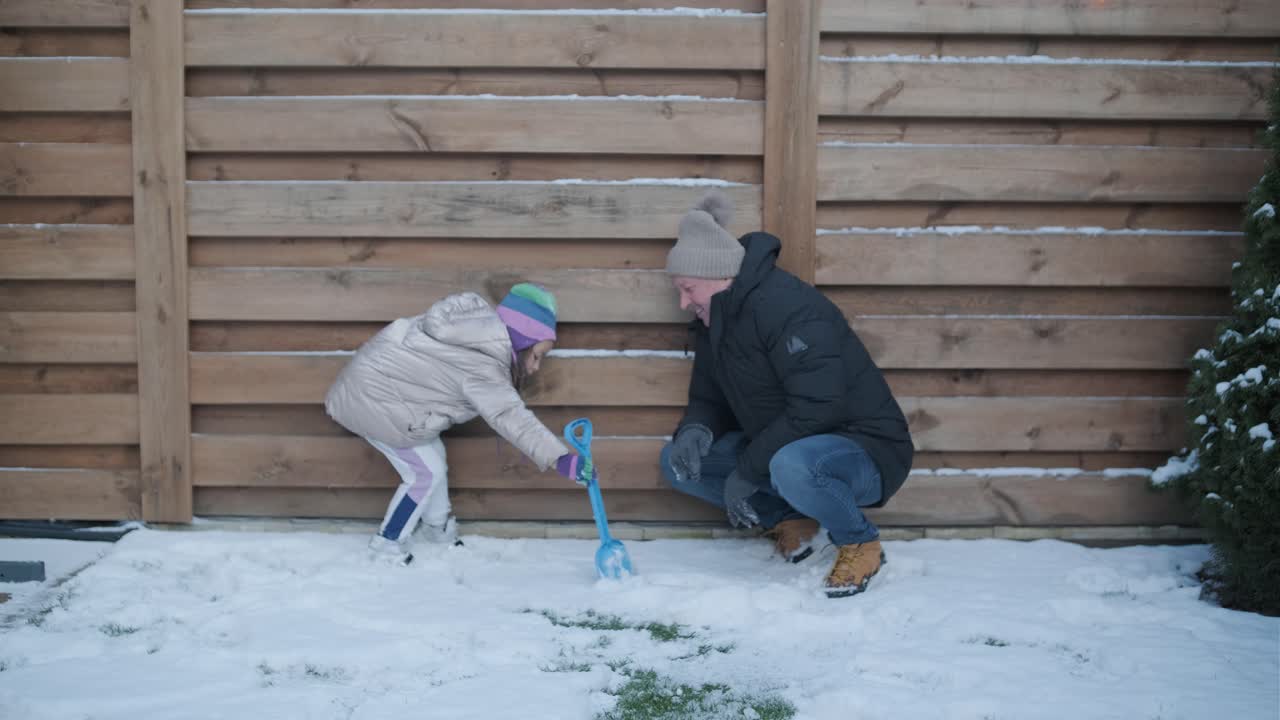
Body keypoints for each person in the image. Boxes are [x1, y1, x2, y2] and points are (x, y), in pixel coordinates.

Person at [659, 192, 914, 597]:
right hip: (783, 447)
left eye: (688, 289)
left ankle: (860, 543)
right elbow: (709, 398)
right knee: (677, 462)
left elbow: (819, 406)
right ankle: (792, 521)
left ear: (719, 277)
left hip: (863, 450)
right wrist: (695, 430)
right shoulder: (716, 320)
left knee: (790, 465)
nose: (683, 302)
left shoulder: (788, 308)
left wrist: (747, 471)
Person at [325, 283, 594, 565]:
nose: (536, 367)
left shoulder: (470, 331)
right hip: (375, 404)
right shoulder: (482, 365)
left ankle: (436, 527)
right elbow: (511, 416)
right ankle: (386, 543)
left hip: (383, 397)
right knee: (424, 473)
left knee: (433, 461)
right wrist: (559, 458)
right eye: (538, 356)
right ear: (522, 340)